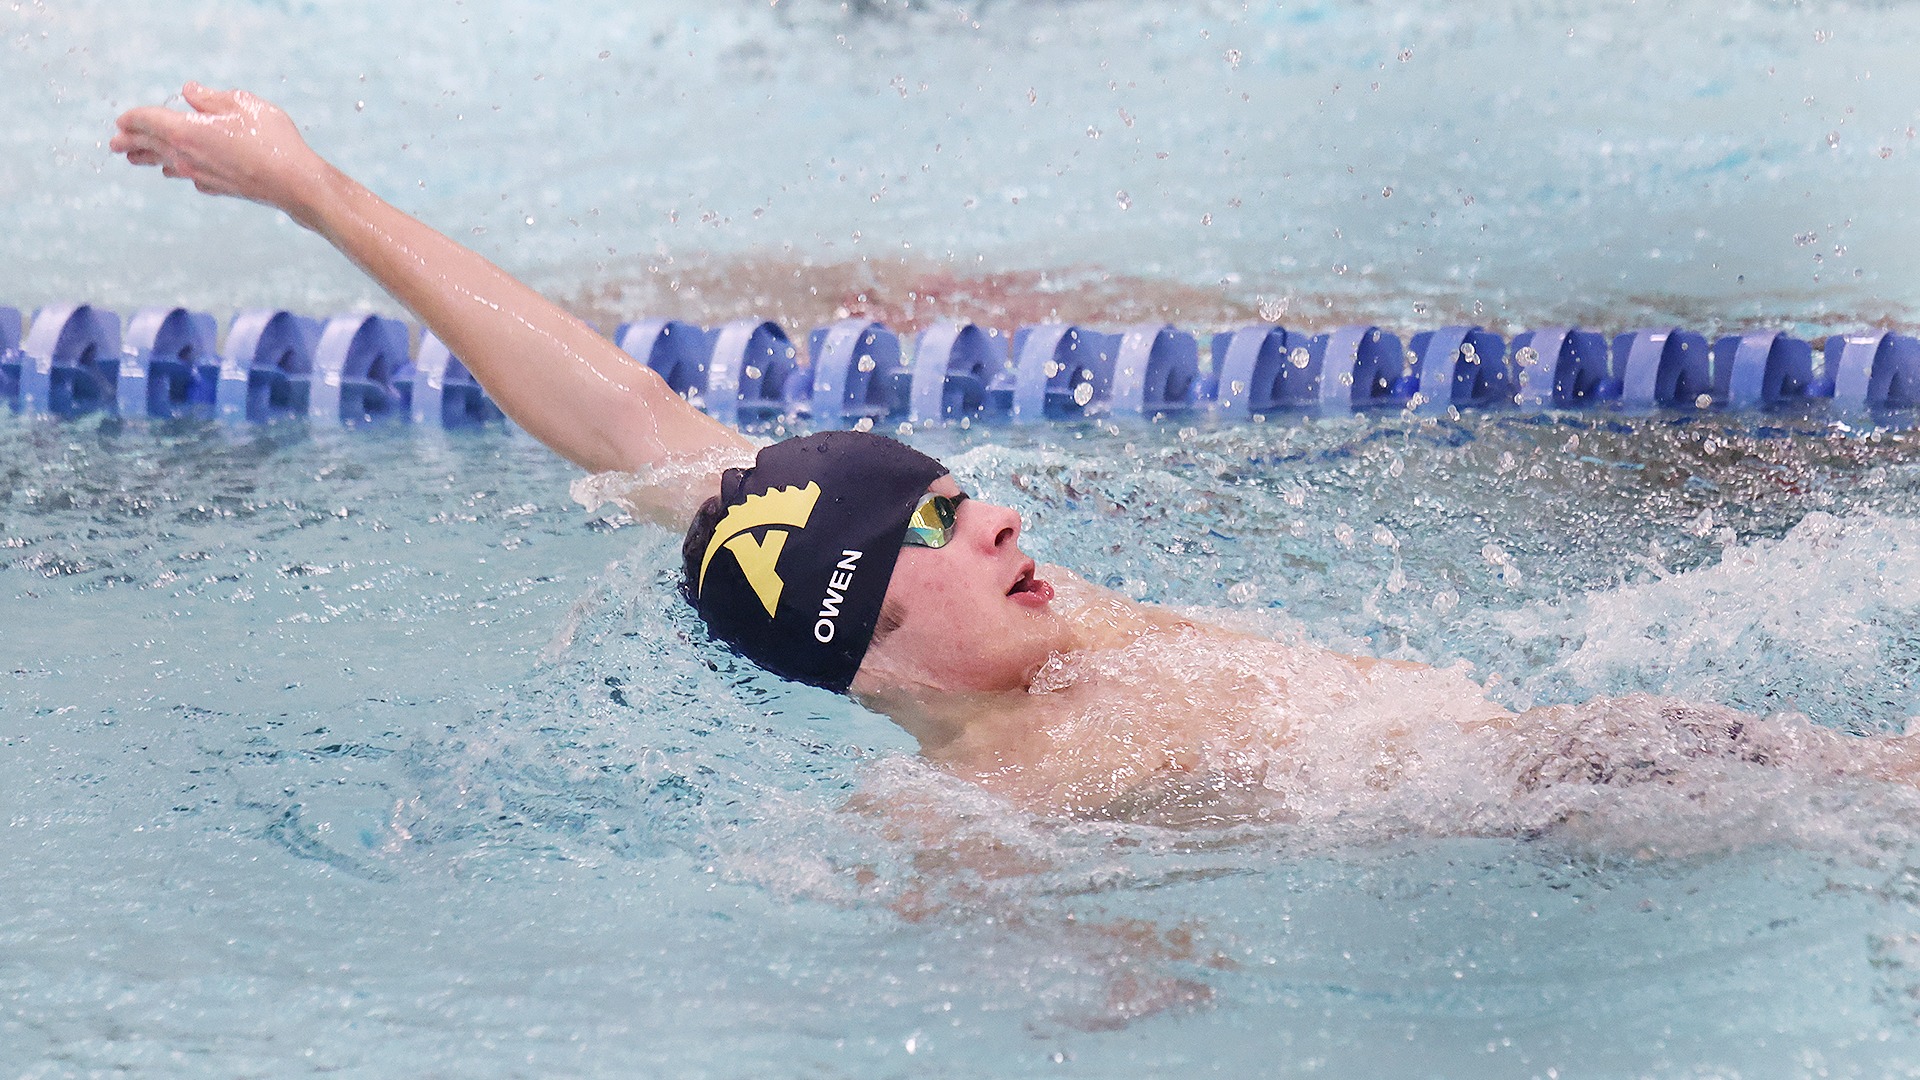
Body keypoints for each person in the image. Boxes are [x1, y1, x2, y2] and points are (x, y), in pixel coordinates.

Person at [111, 84, 1920, 829]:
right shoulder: (987, 803)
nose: (1008, 521)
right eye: (951, 525)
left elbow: (629, 425)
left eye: (972, 499)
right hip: (1565, 806)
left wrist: (309, 188)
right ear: (869, 636)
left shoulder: (1060, 633)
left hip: (1578, 760)